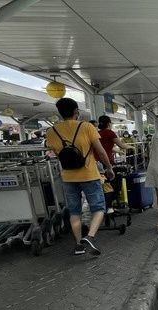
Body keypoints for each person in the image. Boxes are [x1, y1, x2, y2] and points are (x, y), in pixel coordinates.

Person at [46, 98, 115, 255]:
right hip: (89, 174)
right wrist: (109, 168)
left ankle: (78, 245)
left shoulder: (51, 131)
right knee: (98, 208)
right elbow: (101, 151)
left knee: (74, 211)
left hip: (68, 177)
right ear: (76, 111)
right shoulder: (87, 127)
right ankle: (90, 236)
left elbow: (57, 154)